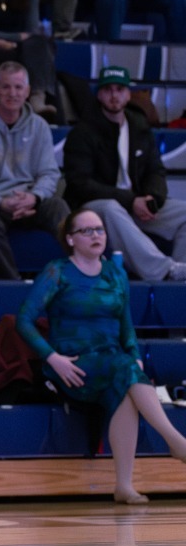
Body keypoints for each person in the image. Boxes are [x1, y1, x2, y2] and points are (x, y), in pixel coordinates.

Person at [17, 208, 186, 503]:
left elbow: (126, 324)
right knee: (124, 372)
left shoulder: (114, 272)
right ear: (70, 239)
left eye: (100, 230)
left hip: (112, 361)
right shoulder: (57, 271)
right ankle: (177, 442)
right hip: (72, 363)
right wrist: (51, 357)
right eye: (87, 231)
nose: (96, 235)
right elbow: (24, 320)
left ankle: (124, 485)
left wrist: (134, 354)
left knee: (125, 379)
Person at [62, 66, 186, 282]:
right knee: (111, 208)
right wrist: (131, 200)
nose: (114, 95)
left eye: (119, 89)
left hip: (134, 202)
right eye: (108, 89)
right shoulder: (82, 133)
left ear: (128, 95)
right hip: (93, 207)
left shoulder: (139, 127)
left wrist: (151, 199)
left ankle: (182, 273)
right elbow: (80, 183)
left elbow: (155, 170)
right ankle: (164, 271)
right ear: (99, 94)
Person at [0, 61, 69, 280]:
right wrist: (1, 202)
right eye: (6, 87)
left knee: (59, 207)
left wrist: (34, 197)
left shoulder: (39, 126)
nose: (12, 93)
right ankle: (13, 281)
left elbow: (49, 173)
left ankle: (84, 276)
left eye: (18, 87)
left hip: (30, 200)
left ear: (27, 92)